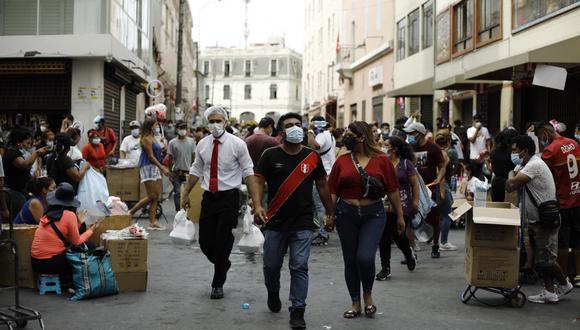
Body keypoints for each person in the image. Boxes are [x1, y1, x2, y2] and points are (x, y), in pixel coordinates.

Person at [252, 112, 333, 330]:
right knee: (271, 266)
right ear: (281, 132)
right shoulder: (270, 155)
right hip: (275, 221)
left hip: (303, 222)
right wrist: (258, 205)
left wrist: (330, 212)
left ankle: (298, 310)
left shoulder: (311, 156)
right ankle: (273, 292)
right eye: (290, 125)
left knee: (299, 266)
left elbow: (323, 185)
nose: (295, 128)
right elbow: (258, 182)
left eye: (298, 124)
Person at [180, 106, 261, 300]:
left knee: (223, 240)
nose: (215, 125)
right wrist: (185, 193)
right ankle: (223, 263)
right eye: (212, 121)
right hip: (209, 197)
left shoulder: (237, 144)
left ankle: (217, 284)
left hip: (229, 198)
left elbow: (248, 172)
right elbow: (196, 169)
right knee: (205, 242)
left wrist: (256, 202)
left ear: (225, 122)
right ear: (207, 123)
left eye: (219, 121)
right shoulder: (203, 145)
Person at [328, 121, 403, 320]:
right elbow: (333, 191)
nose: (345, 136)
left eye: (349, 133)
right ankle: (355, 302)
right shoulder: (341, 160)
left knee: (365, 258)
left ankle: (368, 295)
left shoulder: (382, 160)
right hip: (346, 214)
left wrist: (400, 216)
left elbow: (393, 190)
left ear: (361, 137)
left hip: (374, 214)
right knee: (350, 260)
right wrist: (329, 215)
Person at [506, 135, 573, 303]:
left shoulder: (534, 165)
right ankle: (549, 291)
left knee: (547, 260)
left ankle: (565, 284)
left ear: (525, 151)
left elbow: (511, 185)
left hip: (545, 220)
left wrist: (511, 173)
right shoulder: (529, 164)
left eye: (515, 151)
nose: (513, 154)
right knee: (542, 260)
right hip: (538, 219)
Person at [535, 121, 580, 287]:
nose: (541, 140)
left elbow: (541, 173)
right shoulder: (574, 143)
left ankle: (563, 276)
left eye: (540, 137)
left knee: (563, 241)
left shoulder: (550, 150)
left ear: (545, 133)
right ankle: (578, 275)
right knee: (577, 238)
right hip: (578, 198)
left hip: (563, 200)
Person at [376, 136, 419, 280]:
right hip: (384, 205)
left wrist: (415, 202)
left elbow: (415, 185)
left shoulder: (406, 164)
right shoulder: (383, 163)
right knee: (383, 236)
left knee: (398, 234)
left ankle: (408, 253)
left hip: (403, 204)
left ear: (394, 149)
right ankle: (385, 268)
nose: (382, 146)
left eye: (386, 145)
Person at [30, 182, 96, 276]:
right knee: (89, 246)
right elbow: (76, 242)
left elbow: (63, 230)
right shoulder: (69, 215)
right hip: (51, 263)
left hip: (36, 263)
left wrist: (78, 223)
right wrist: (90, 230)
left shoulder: (47, 214)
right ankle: (76, 283)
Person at [404, 122, 447, 258]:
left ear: (420, 133)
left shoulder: (433, 147)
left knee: (434, 218)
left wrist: (438, 179)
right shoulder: (409, 148)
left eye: (412, 133)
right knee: (411, 219)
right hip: (413, 187)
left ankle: (435, 246)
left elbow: (442, 166)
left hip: (430, 187)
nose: (410, 136)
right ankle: (411, 251)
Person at [128, 118, 171, 230]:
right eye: (156, 125)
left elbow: (156, 153)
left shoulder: (154, 137)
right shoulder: (146, 139)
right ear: (151, 126)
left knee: (156, 196)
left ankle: (153, 222)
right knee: (151, 195)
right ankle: (131, 212)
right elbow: (151, 157)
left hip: (154, 166)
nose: (157, 126)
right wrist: (162, 168)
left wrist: (163, 148)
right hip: (148, 166)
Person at [307, 115, 336, 246]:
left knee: (320, 206)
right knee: (317, 206)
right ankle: (317, 228)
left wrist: (310, 131)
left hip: (323, 175)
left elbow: (313, 146)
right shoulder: (328, 134)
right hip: (326, 173)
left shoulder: (322, 135)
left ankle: (323, 233)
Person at [3, 128, 47, 214]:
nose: (29, 145)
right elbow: (25, 165)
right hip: (15, 192)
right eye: (27, 143)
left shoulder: (17, 152)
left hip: (22, 191)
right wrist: (36, 153)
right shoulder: (12, 153)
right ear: (19, 142)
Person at [167, 120, 196, 212]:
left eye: (184, 128)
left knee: (188, 192)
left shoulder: (191, 142)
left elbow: (193, 157)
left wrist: (193, 170)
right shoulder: (172, 143)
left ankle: (187, 211)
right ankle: (179, 212)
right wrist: (170, 172)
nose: (183, 130)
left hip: (189, 172)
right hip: (177, 172)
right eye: (181, 128)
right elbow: (170, 158)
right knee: (178, 192)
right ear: (177, 129)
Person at [434, 133, 456, 251]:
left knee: (439, 215)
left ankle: (438, 241)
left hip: (438, 186)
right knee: (447, 215)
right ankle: (444, 242)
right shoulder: (444, 155)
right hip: (442, 186)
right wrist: (442, 191)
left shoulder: (435, 153)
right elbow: (440, 175)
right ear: (447, 143)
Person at [489, 128, 518, 202]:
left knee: (497, 209)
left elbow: (492, 169)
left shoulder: (493, 152)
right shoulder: (513, 154)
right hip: (509, 184)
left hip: (496, 183)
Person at [466, 114, 491, 179]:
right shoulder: (470, 130)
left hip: (483, 157)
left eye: (479, 121)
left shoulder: (485, 130)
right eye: (476, 121)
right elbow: (472, 141)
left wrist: (489, 151)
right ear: (473, 121)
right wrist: (477, 130)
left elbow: (488, 141)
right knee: (475, 176)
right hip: (474, 157)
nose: (478, 123)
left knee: (484, 175)